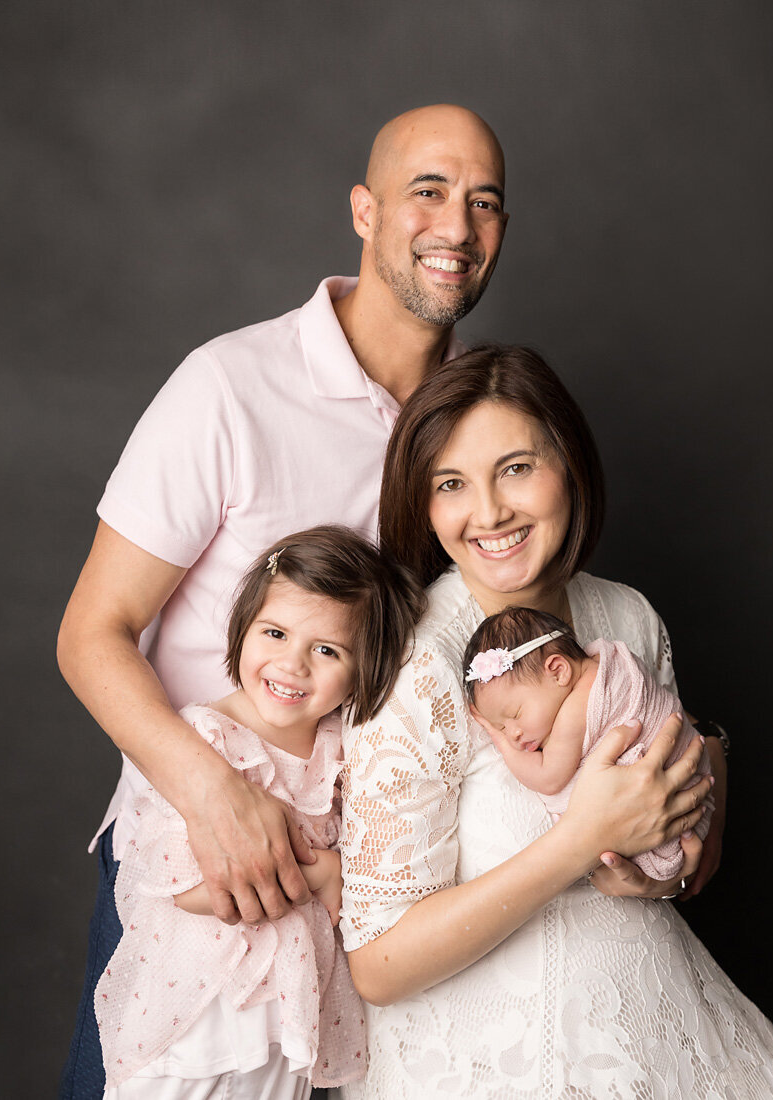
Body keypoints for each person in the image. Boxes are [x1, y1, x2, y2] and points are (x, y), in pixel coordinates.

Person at [56, 102, 510, 1096]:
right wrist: (214, 794)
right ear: (364, 210)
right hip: (196, 866)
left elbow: (518, 637)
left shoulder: (477, 431)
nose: (456, 224)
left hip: (362, 898)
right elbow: (92, 632)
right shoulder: (230, 385)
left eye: (483, 202)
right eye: (428, 191)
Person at [338, 345, 773, 1098]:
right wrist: (580, 839)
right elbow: (377, 967)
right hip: (492, 1061)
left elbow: (679, 837)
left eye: (516, 468)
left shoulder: (626, 615)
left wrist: (670, 859)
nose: (489, 512)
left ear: (569, 463)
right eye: (451, 483)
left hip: (656, 1018)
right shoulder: (416, 664)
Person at [95, 526, 424, 1097]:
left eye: (327, 650)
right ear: (243, 628)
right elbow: (183, 887)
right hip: (197, 1014)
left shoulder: (344, 750)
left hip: (283, 1020)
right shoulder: (207, 741)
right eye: (275, 633)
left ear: (362, 669)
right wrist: (319, 874)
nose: (292, 664)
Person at [462, 605, 714, 881]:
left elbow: (548, 779)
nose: (513, 733)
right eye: (502, 726)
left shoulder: (576, 709)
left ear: (558, 671)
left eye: (515, 715)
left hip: (670, 815)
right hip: (697, 792)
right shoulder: (604, 660)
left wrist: (495, 735)